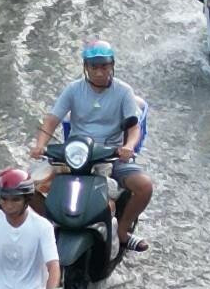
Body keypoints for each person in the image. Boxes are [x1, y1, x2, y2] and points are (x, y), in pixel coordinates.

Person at [34, 42, 153, 256]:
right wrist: (40, 144)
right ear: (85, 67)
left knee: (144, 186)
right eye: (94, 67)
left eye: (104, 67)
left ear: (112, 66)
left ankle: (123, 232)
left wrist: (127, 146)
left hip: (110, 156)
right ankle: (48, 228)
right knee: (26, 187)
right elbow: (52, 119)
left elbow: (133, 127)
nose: (99, 72)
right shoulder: (73, 90)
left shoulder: (123, 91)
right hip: (76, 155)